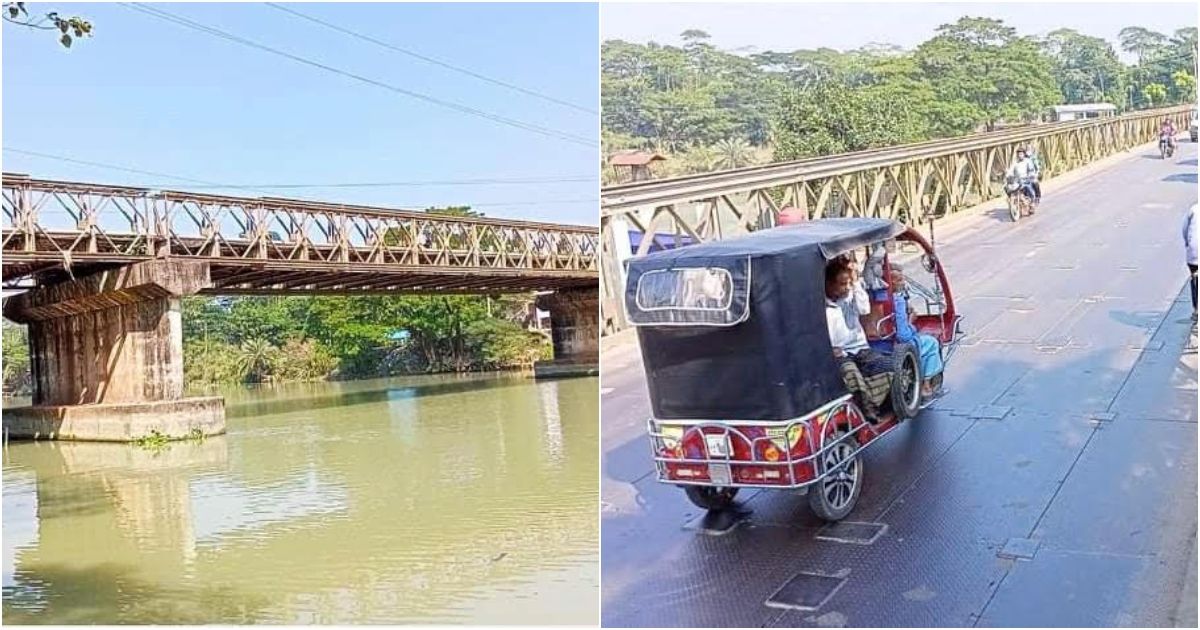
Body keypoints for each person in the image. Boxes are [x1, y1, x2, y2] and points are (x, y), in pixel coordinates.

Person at [825, 258, 891, 420]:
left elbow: (864, 309)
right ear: (829, 284)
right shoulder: (822, 305)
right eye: (842, 284)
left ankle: (876, 404)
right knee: (851, 372)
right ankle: (867, 409)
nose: (846, 288)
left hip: (860, 348)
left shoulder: (851, 296)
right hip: (840, 354)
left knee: (887, 366)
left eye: (848, 283)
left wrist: (855, 284)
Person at [889, 265, 944, 399]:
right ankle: (925, 386)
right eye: (900, 280)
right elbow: (903, 335)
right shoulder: (897, 301)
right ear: (892, 283)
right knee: (931, 342)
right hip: (898, 345)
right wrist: (910, 321)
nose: (903, 283)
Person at [1185, 203, 1197, 321]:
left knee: (1194, 277)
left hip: (1193, 253)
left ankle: (1196, 309)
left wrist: (1187, 243)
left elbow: (1185, 229)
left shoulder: (1193, 209)